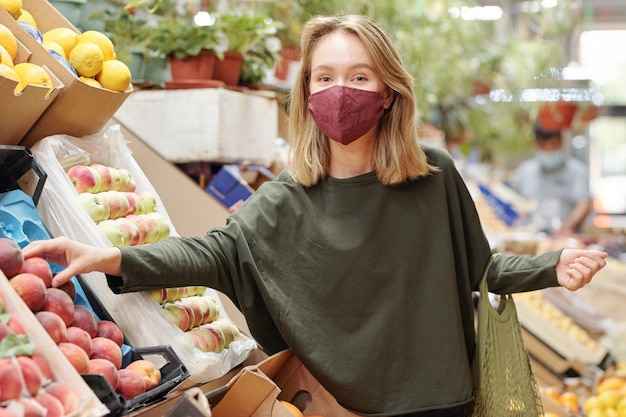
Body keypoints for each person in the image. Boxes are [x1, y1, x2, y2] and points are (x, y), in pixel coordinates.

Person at [24, 14, 607, 417]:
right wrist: (112, 255)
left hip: (439, 398)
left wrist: (557, 266)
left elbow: (482, 267)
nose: (340, 91)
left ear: (389, 91)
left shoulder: (432, 174)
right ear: (305, 93)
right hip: (344, 406)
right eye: (324, 78)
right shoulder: (287, 198)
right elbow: (213, 253)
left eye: (359, 77)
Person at [514, 123, 592, 235]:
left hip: (565, 241)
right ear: (536, 144)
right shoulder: (525, 171)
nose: (548, 150)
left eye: (553, 145)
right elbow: (518, 205)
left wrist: (566, 228)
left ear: (561, 142)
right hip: (531, 240)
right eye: (543, 145)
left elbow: (583, 204)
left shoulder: (577, 171)